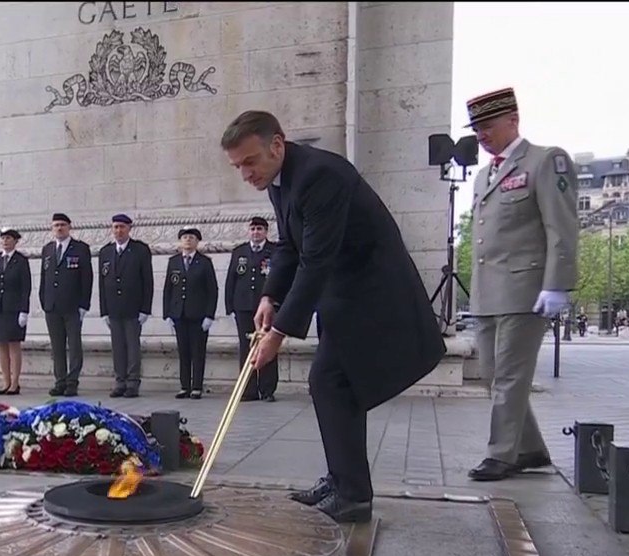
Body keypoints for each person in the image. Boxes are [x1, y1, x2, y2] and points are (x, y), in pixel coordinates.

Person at [221, 110, 446, 523]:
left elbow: (316, 260)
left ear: (276, 145)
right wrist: (270, 296)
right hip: (343, 295)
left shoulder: (319, 175)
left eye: (249, 161)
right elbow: (290, 246)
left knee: (328, 381)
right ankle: (344, 481)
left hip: (372, 292)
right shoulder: (280, 180)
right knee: (336, 385)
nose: (245, 174)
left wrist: (278, 334)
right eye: (237, 166)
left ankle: (353, 494)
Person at [462, 88, 579, 482]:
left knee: (510, 377)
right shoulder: (484, 175)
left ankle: (500, 455)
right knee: (492, 374)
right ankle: (529, 449)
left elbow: (561, 225)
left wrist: (557, 283)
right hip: (488, 293)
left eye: (488, 125)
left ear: (513, 120)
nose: (481, 135)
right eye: (476, 128)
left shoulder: (545, 161)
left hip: (525, 290)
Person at [97, 213, 153, 398]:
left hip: (133, 307)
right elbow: (102, 283)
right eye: (116, 227)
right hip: (114, 307)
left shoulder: (140, 250)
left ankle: (133, 382)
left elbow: (147, 281)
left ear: (129, 229)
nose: (119, 231)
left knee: (132, 346)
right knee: (118, 347)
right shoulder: (106, 251)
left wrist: (145, 308)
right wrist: (104, 310)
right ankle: (120, 381)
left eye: (122, 227)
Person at [225, 216, 280, 402]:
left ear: (266, 232)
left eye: (260, 229)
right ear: (249, 231)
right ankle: (248, 390)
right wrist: (230, 306)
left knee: (268, 346)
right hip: (243, 306)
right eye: (253, 229)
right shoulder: (239, 252)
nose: (256, 232)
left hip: (267, 308)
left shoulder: (275, 251)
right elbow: (231, 280)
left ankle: (267, 389)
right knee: (246, 348)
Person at [40, 212, 93, 397]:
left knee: (74, 345)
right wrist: (44, 301)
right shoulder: (47, 249)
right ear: (52, 228)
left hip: (72, 306)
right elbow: (44, 277)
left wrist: (84, 304)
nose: (59, 228)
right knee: (57, 346)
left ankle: (72, 382)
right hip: (52, 306)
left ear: (69, 227)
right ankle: (60, 380)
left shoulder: (80, 248)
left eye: (63, 225)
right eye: (56, 225)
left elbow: (87, 278)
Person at [163, 227, 218, 399]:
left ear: (197, 241)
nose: (187, 240)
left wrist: (209, 315)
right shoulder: (174, 261)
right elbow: (168, 289)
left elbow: (212, 290)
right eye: (185, 237)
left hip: (198, 315)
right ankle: (184, 386)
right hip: (179, 314)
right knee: (183, 352)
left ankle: (197, 386)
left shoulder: (205, 262)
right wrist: (167, 313)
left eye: (191, 238)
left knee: (197, 351)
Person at [0, 227, 32, 395]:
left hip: (14, 309)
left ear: (15, 241)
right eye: (3, 238)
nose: (5, 241)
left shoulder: (21, 261)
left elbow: (25, 288)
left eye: (9, 238)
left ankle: (15, 382)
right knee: (1, 345)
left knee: (14, 345)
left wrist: (24, 310)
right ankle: (5, 381)